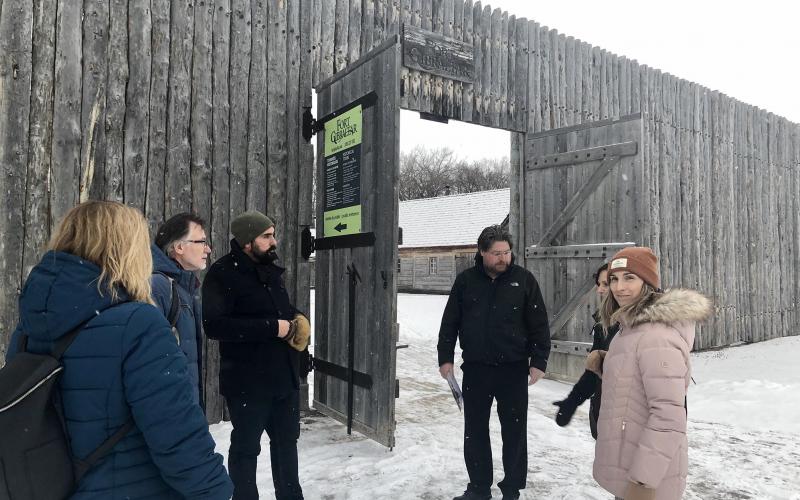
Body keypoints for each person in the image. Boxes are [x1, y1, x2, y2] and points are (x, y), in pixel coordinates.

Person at [6, 201, 233, 499]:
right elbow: (177, 436)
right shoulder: (138, 323)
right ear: (126, 249)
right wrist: (215, 490)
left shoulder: (28, 327)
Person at [437, 225, 551, 500]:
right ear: (482, 252)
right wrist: (445, 358)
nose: (503, 258)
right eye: (496, 253)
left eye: (507, 252)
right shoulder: (466, 281)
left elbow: (539, 324)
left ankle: (512, 488)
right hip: (476, 369)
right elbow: (450, 322)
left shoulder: (523, 280)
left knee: (514, 431)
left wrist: (539, 361)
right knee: (474, 430)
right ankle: (478, 487)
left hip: (513, 369)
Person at [202, 210, 310, 500]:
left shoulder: (271, 271)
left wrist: (297, 319)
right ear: (248, 241)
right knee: (246, 448)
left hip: (283, 378)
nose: (274, 241)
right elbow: (215, 325)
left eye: (273, 234)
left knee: (287, 444)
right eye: (267, 236)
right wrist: (272, 327)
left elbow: (280, 311)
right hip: (248, 381)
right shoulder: (222, 273)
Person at [590, 247, 711, 500]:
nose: (618, 287)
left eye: (629, 277)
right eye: (614, 278)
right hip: (632, 461)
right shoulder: (633, 327)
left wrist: (644, 482)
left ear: (648, 283)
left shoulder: (657, 336)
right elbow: (639, 378)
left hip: (647, 478)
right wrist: (607, 362)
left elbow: (668, 417)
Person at [552, 262, 620, 438]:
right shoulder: (603, 324)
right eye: (599, 284)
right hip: (604, 414)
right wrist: (572, 401)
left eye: (606, 284)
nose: (599, 290)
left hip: (626, 421)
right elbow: (594, 372)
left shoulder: (638, 326)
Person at [151, 213, 212, 407]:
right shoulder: (158, 286)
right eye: (201, 242)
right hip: (168, 410)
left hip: (181, 408)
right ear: (179, 247)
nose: (208, 249)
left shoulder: (183, 286)